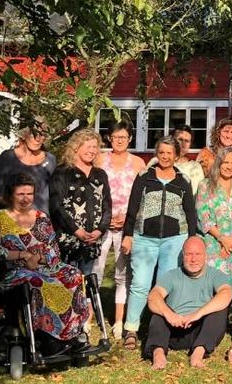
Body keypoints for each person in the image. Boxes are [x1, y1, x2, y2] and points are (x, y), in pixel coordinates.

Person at [0, 173, 90, 351]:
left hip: (44, 266)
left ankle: (72, 332)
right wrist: (22, 255)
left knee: (74, 274)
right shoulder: (1, 218)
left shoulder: (41, 217)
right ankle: (46, 335)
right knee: (38, 281)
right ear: (11, 195)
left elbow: (54, 250)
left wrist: (38, 259)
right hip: (13, 270)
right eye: (21, 194)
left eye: (29, 194)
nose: (26, 199)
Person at [121, 136, 199, 350]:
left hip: (175, 240)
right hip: (144, 238)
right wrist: (128, 235)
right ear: (157, 154)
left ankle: (161, 329)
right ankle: (131, 328)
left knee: (165, 285)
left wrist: (192, 238)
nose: (165, 156)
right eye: (161, 152)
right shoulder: (144, 177)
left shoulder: (183, 181)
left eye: (169, 153)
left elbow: (190, 213)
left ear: (176, 155)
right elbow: (133, 207)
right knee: (140, 284)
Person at [144, 236, 231, 369]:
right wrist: (169, 315)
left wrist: (198, 313)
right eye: (189, 254)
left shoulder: (216, 274)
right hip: (174, 328)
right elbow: (153, 296)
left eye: (198, 254)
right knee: (158, 311)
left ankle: (198, 354)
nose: (193, 259)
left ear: (205, 255)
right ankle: (158, 354)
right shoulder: (171, 275)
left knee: (220, 310)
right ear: (183, 256)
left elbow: (226, 293)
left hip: (201, 331)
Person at [94, 120, 145, 340]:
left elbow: (142, 196)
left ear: (130, 138)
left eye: (123, 137)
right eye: (115, 137)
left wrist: (128, 218)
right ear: (109, 138)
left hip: (127, 224)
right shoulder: (100, 160)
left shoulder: (138, 163)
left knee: (123, 273)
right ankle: (88, 317)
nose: (119, 141)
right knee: (96, 269)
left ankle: (119, 320)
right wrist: (105, 218)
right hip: (102, 223)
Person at [196, 147, 232, 330]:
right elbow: (203, 216)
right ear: (218, 164)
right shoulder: (205, 185)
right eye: (225, 162)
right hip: (212, 240)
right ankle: (214, 324)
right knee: (217, 274)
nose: (229, 166)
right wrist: (222, 239)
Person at [48, 129, 112, 275]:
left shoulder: (100, 174)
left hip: (91, 241)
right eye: (88, 146)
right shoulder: (62, 172)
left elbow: (107, 205)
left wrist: (100, 230)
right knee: (66, 281)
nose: (92, 151)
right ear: (76, 147)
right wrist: (76, 231)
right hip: (68, 240)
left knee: (86, 281)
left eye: (95, 147)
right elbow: (56, 205)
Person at [0, 122, 57, 212]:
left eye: (42, 134)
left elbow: (56, 194)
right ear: (24, 134)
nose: (38, 138)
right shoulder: (8, 157)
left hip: (41, 218)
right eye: (33, 134)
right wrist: (13, 205)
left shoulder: (50, 159)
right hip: (12, 217)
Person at [165, 125, 205, 194]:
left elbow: (199, 194)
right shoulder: (160, 162)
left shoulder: (195, 167)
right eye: (180, 139)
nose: (183, 145)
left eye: (187, 141)